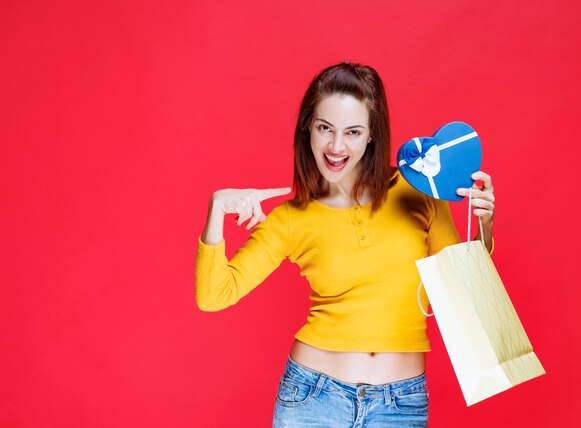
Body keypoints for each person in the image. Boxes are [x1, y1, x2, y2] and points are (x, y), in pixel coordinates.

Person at [195, 62, 495, 427]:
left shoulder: (419, 190)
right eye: (325, 128)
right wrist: (217, 208)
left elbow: (463, 288)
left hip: (400, 405)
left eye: (353, 132)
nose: (336, 147)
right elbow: (213, 295)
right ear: (308, 126)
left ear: (372, 135)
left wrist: (484, 226)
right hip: (311, 400)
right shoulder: (291, 218)